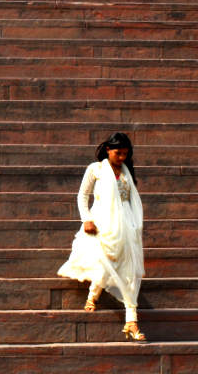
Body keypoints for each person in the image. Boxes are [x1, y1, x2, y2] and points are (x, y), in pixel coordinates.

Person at [58, 132, 146, 342]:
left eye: (125, 154)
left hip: (127, 225)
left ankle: (131, 322)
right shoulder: (95, 169)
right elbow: (82, 195)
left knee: (130, 271)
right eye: (118, 153)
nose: (122, 158)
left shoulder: (126, 172)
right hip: (102, 224)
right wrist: (86, 219)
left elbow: (131, 201)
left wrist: (134, 226)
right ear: (108, 149)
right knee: (106, 263)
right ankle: (92, 295)